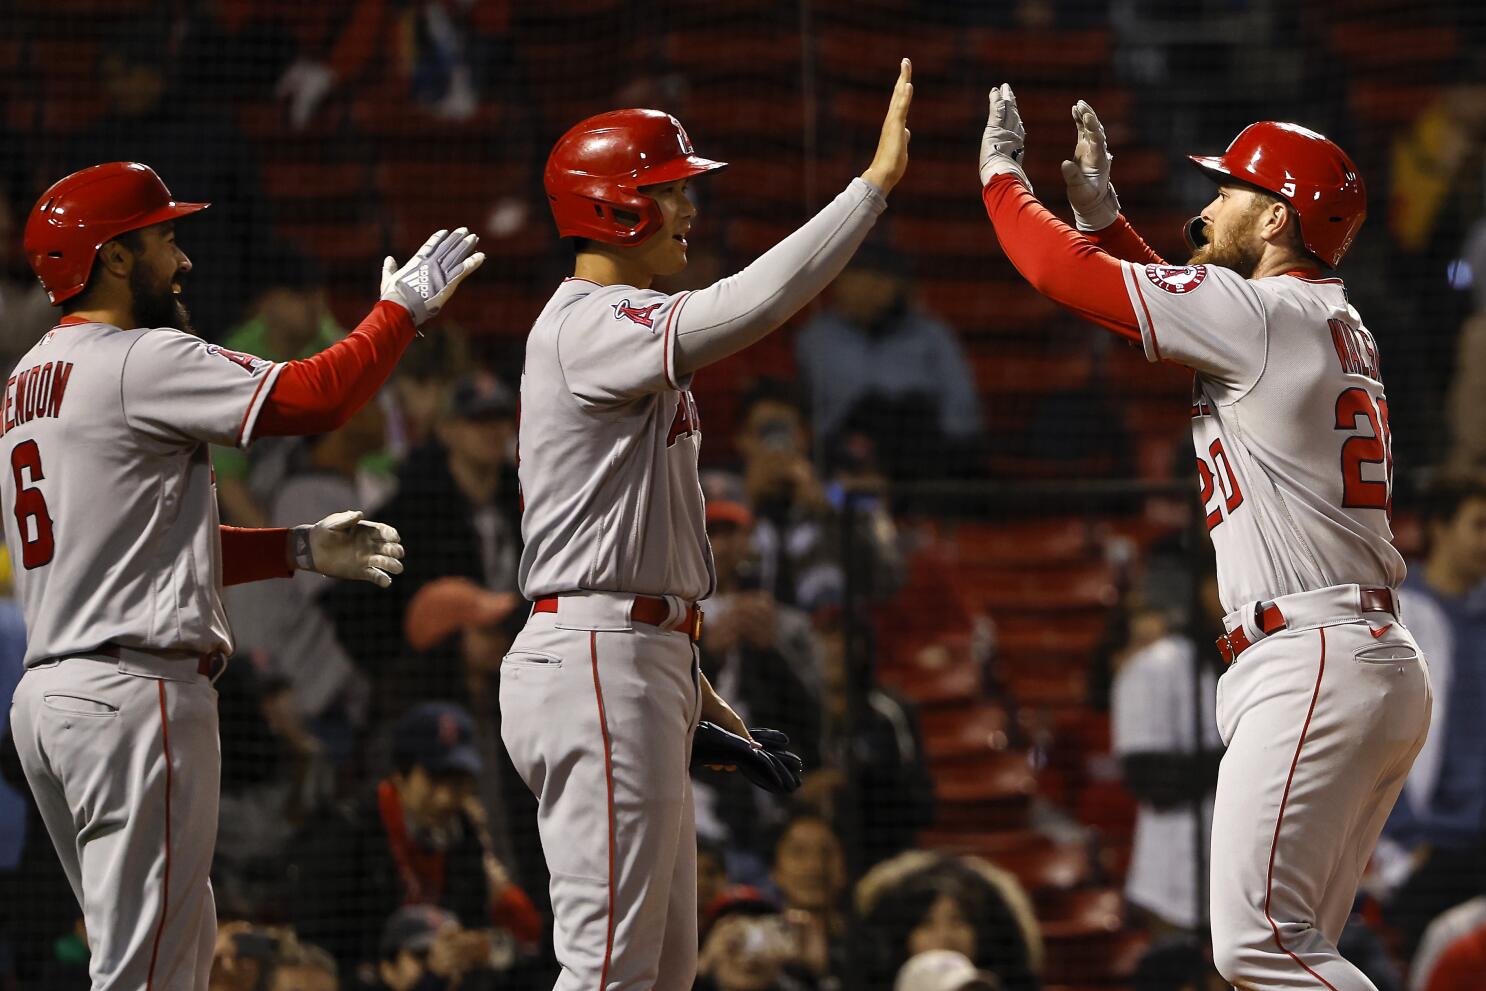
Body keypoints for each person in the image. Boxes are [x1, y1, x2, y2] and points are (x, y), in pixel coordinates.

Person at [977, 87, 1431, 990]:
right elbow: (1190, 310)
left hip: (1311, 660)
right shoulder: (1318, 316)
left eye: (1228, 189)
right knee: (1294, 949)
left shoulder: (1262, 316)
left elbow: (1060, 277)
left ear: (1274, 216)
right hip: (1358, 654)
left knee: (1258, 947)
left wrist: (1000, 180)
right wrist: (1107, 220)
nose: (1207, 205)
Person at [5, 160, 483, 990]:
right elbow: (312, 398)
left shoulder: (26, 382)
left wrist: (293, 548)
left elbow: (140, 548)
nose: (184, 259)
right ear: (114, 258)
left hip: (53, 698)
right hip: (133, 695)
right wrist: (400, 311)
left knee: (171, 961)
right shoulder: (136, 358)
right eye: (165, 238)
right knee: (149, 974)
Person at [501, 59, 912, 991]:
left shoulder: (607, 328)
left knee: (655, 976)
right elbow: (750, 304)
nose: (688, 209)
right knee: (607, 972)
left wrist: (699, 697)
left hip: (633, 655)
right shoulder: (588, 323)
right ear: (615, 209)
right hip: (599, 654)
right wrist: (870, 189)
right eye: (670, 191)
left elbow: (643, 554)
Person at [287, 702, 541, 978]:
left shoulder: (464, 835)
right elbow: (318, 948)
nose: (446, 797)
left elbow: (508, 931)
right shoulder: (347, 831)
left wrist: (475, 948)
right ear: (400, 775)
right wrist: (387, 973)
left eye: (458, 782)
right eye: (434, 779)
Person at [1378, 472, 1486, 955]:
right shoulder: (1397, 617)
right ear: (1440, 528)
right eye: (1479, 525)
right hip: (1429, 848)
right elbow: (1375, 735)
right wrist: (1404, 838)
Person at [795, 238, 983, 482]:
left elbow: (962, 414)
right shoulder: (816, 337)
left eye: (877, 277)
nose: (865, 288)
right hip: (839, 460)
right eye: (855, 275)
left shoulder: (931, 335)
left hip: (918, 458)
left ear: (898, 285)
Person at [1111, 560, 1225, 934]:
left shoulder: (1215, 660)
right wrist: (1230, 762)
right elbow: (1150, 779)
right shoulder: (1155, 666)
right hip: (1172, 871)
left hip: (1221, 865)